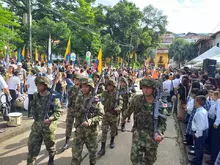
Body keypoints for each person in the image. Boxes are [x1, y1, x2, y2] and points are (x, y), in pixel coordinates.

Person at [122, 78, 166, 165]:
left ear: (153, 89)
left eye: (148, 88)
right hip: (137, 135)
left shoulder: (159, 105)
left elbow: (163, 124)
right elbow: (129, 110)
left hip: (151, 138)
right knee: (134, 159)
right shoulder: (137, 99)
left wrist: (160, 133)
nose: (145, 90)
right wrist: (122, 118)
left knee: (149, 161)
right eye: (144, 87)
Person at [27, 76, 62, 165]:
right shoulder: (35, 95)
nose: (37, 87)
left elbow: (58, 111)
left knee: (50, 147)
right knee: (32, 147)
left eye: (39, 85)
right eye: (37, 84)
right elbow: (33, 106)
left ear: (45, 85)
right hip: (36, 127)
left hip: (48, 127)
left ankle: (51, 159)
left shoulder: (53, 96)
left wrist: (50, 119)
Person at [71, 78, 104, 165]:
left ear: (90, 87)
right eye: (82, 86)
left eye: (86, 87)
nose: (84, 88)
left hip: (91, 132)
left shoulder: (95, 100)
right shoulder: (79, 97)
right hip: (79, 130)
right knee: (75, 154)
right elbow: (74, 110)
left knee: (92, 154)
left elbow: (101, 115)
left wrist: (90, 121)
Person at [98, 79, 123, 156]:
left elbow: (121, 104)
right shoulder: (105, 93)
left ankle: (112, 141)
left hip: (113, 115)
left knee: (113, 130)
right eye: (108, 85)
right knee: (104, 131)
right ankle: (102, 148)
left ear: (113, 86)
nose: (109, 87)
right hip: (106, 114)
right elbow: (101, 100)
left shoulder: (117, 94)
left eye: (110, 86)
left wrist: (118, 108)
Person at [61, 73, 81, 150]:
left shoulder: (82, 89)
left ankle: (77, 141)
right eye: (75, 79)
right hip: (71, 110)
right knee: (68, 126)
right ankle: (67, 142)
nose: (76, 81)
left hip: (79, 110)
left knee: (78, 126)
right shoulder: (71, 88)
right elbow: (68, 98)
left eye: (77, 79)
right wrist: (68, 107)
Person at [188, 95, 209, 165]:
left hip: (200, 133)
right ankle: (197, 160)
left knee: (199, 148)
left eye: (195, 102)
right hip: (202, 132)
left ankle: (197, 162)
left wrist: (197, 135)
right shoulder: (202, 110)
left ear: (197, 103)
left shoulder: (200, 113)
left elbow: (200, 126)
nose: (194, 103)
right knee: (199, 147)